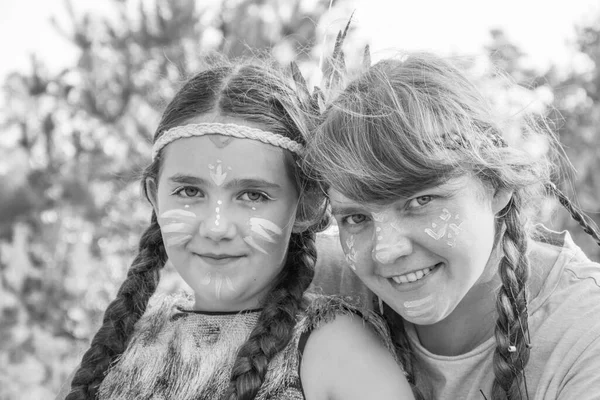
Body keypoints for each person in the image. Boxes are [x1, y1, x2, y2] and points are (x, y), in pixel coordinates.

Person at [56, 59, 414, 400]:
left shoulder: (340, 352)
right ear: (154, 196)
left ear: (303, 206)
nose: (216, 228)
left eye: (253, 195)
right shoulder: (124, 342)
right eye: (189, 192)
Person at [306, 52, 600, 400]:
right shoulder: (322, 286)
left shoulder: (584, 329)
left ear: (497, 186)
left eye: (420, 201)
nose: (386, 251)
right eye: (356, 218)